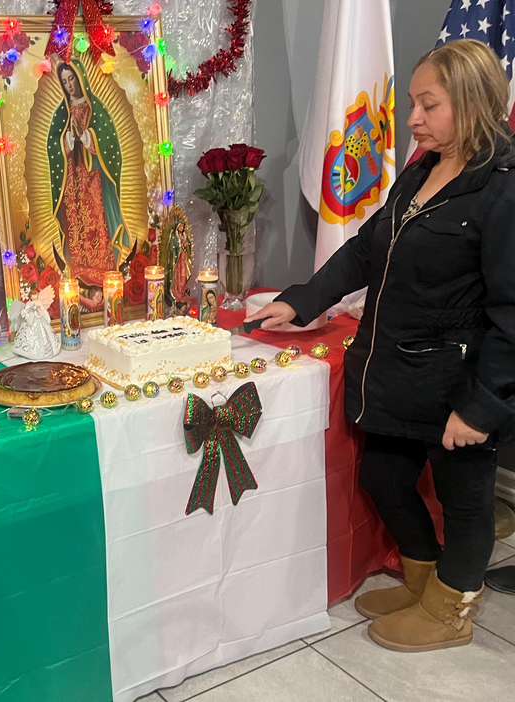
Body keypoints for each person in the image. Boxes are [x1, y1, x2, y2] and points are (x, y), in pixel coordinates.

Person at [248, 39, 515, 653]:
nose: (412, 118)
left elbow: (512, 315)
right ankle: (423, 580)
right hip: (401, 373)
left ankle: (451, 610)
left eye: (429, 105)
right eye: (413, 103)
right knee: (384, 476)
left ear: (471, 103)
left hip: (461, 385)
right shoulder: (421, 171)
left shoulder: (502, 191)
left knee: (465, 500)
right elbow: (367, 249)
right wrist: (303, 300)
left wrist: (482, 407)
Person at [48, 61, 132, 311]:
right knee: (76, 223)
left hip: (93, 174)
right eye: (65, 81)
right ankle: (80, 276)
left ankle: (103, 274)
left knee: (95, 220)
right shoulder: (62, 113)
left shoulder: (95, 108)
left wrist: (88, 139)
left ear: (80, 78)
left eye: (71, 79)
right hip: (73, 177)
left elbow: (109, 142)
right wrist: (66, 141)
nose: (69, 85)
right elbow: (53, 146)